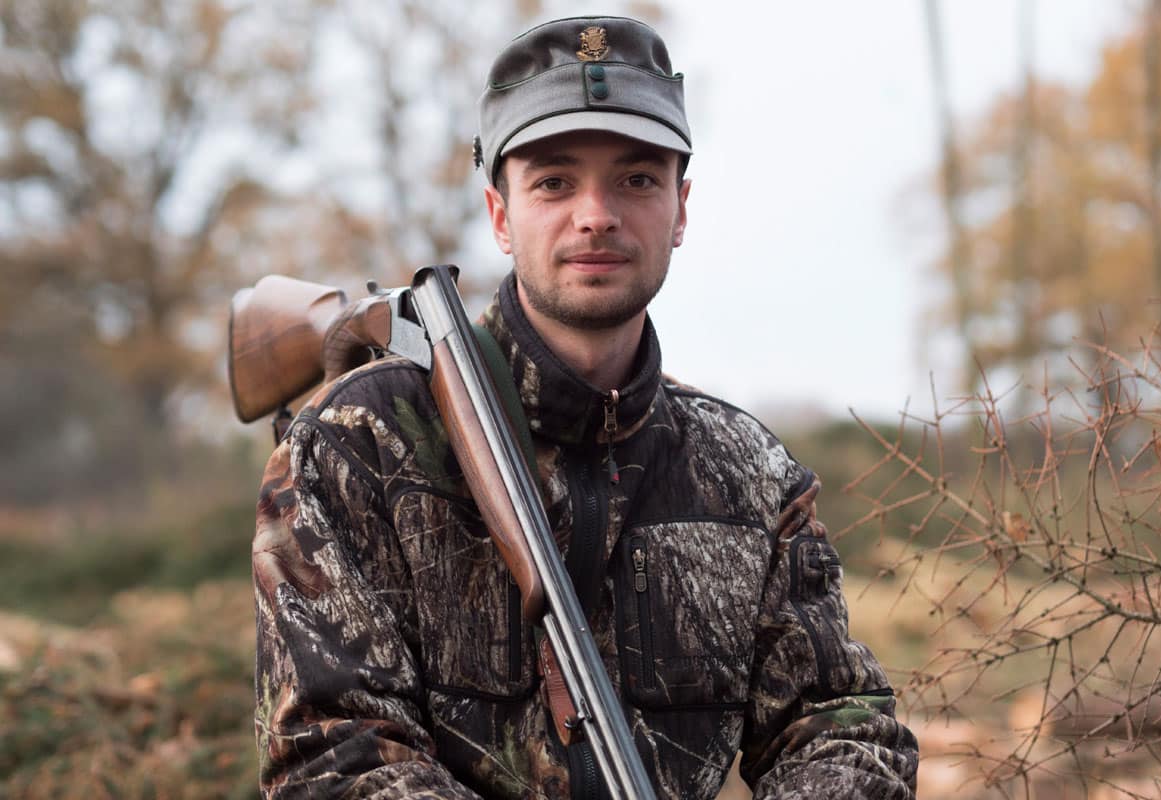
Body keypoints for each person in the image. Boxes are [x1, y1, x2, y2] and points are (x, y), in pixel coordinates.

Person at [253, 15, 919, 799]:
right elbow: (335, 758)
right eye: (554, 182)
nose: (596, 213)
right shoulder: (356, 443)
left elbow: (842, 726)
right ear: (501, 215)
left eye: (637, 179)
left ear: (681, 209)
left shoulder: (750, 474)